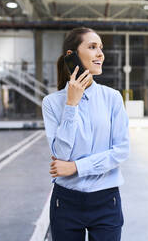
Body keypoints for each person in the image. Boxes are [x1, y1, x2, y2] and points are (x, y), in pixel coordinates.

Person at [42, 27, 130, 241]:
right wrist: (71, 105)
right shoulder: (52, 103)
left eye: (101, 47)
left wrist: (75, 167)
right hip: (66, 203)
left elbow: (121, 151)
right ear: (72, 57)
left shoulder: (113, 98)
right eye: (92, 47)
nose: (100, 53)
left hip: (106, 201)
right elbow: (61, 154)